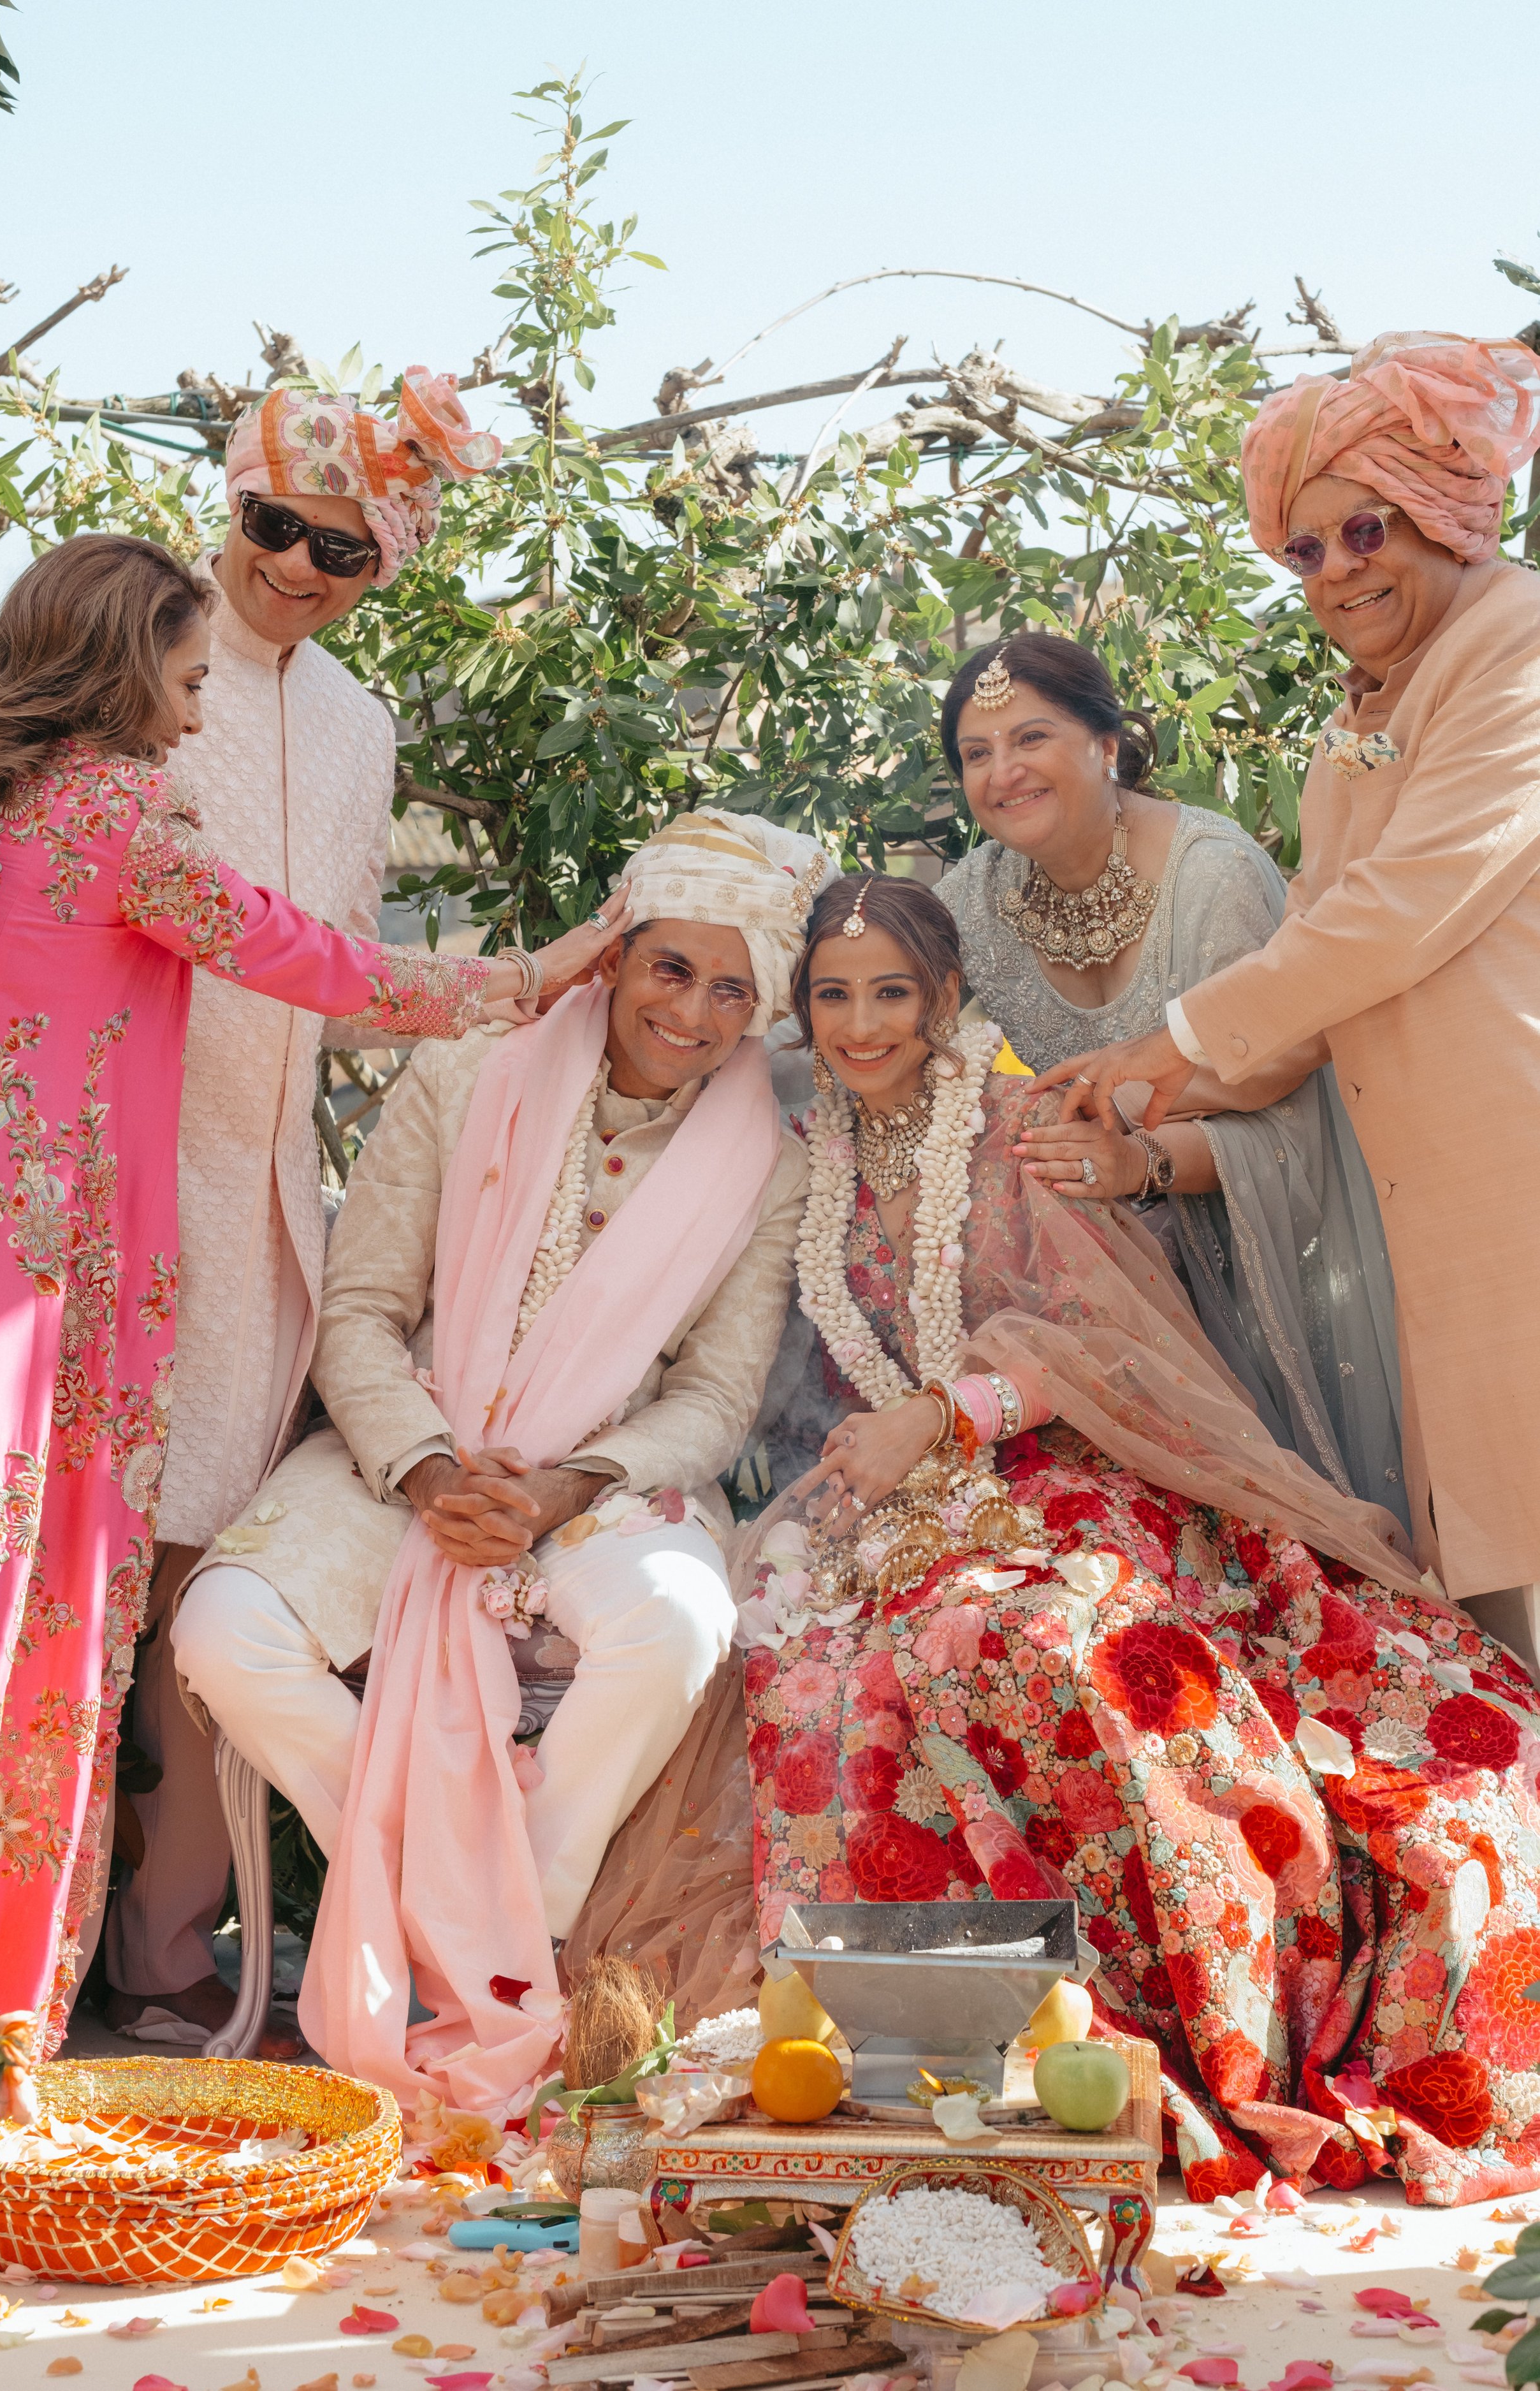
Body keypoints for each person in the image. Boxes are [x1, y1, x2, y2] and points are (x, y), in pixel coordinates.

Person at [599, 874, 1539, 2209]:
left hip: (1072, 1466)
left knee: (1046, 1639)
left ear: (940, 1002)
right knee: (818, 1678)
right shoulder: (798, 1143)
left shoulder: (1016, 1120)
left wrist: (944, 1413)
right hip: (884, 1498)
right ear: (800, 1010)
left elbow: (1106, 1339)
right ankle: (917, 2041)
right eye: (831, 995)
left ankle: (1171, 2019)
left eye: (889, 995)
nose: (860, 1024)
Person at [0, 534, 616, 2048]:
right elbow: (308, 961)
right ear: (124, 670)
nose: (194, 717)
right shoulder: (119, 806)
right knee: (32, 1614)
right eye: (185, 682)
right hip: (53, 1273)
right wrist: (536, 975)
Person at [174, 808, 831, 2116]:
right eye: (668, 969)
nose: (691, 1014)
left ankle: (512, 1915)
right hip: (411, 1447)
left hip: (599, 1477)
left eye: (730, 989)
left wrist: (566, 1485)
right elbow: (358, 1310)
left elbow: (714, 1396)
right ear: (618, 955)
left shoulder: (771, 1158)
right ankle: (458, 1910)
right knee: (222, 1631)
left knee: (674, 1626)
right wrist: (428, 1468)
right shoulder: (472, 1068)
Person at [1029, 332, 1540, 1671]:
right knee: (1496, 1616)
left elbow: (1396, 915)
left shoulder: (1518, 643)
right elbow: (1312, 974)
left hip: (1520, 1202)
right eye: (1300, 552)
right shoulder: (1355, 718)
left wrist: (1170, 1040)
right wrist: (1135, 1095)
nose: (1333, 572)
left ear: (1442, 511)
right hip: (1431, 1256)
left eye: (1359, 528)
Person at [105, 368, 500, 2046]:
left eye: (343, 554)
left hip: (270, 1203)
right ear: (232, 500)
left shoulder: (360, 723)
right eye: (276, 525)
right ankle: (24, 1934)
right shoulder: (125, 657)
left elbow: (333, 970)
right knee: (68, 1568)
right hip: (108, 1176)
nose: (298, 567)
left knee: (210, 1578)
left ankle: (158, 1935)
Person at [935, 632, 1406, 1530]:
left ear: (1108, 745)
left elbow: (1298, 1129)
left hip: (1258, 1283)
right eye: (976, 753)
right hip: (1081, 1309)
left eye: (1031, 738)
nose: (1003, 772)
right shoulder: (968, 902)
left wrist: (1135, 1165)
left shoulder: (1215, 878)